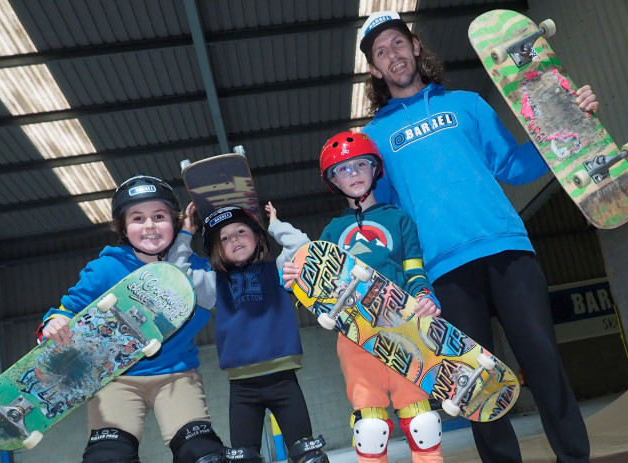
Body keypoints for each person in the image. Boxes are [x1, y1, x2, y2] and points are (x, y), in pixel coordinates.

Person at [355, 10, 599, 463]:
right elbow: (384, 217)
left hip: (506, 248)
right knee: (478, 387)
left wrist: (571, 123)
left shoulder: (466, 104)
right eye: (380, 52)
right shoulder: (373, 138)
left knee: (544, 362)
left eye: (397, 44)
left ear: (415, 47)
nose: (393, 55)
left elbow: (514, 166)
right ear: (374, 68)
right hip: (442, 270)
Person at [37, 175, 226, 463]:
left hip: (176, 374)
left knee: (201, 453)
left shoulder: (195, 269)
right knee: (108, 457)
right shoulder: (105, 269)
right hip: (116, 378)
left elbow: (235, 295)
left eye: (159, 216)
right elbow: (68, 309)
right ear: (124, 228)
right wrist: (53, 324)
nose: (149, 225)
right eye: (138, 218)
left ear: (174, 223)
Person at [282, 131, 445, 463]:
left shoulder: (398, 219)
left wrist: (426, 297)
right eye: (343, 169)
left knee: (423, 422)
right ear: (333, 180)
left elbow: (414, 271)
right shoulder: (330, 231)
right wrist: (296, 282)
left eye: (361, 165)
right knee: (370, 429)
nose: (353, 174)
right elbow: (319, 289)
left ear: (375, 170)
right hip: (355, 335)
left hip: (404, 328)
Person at [167, 202, 329, 463]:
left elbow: (302, 247)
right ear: (217, 249)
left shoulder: (278, 270)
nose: (234, 239)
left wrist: (275, 225)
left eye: (241, 231)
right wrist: (185, 235)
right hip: (242, 388)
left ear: (257, 236)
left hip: (284, 381)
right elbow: (177, 276)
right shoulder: (212, 284)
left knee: (308, 456)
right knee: (243, 459)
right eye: (225, 238)